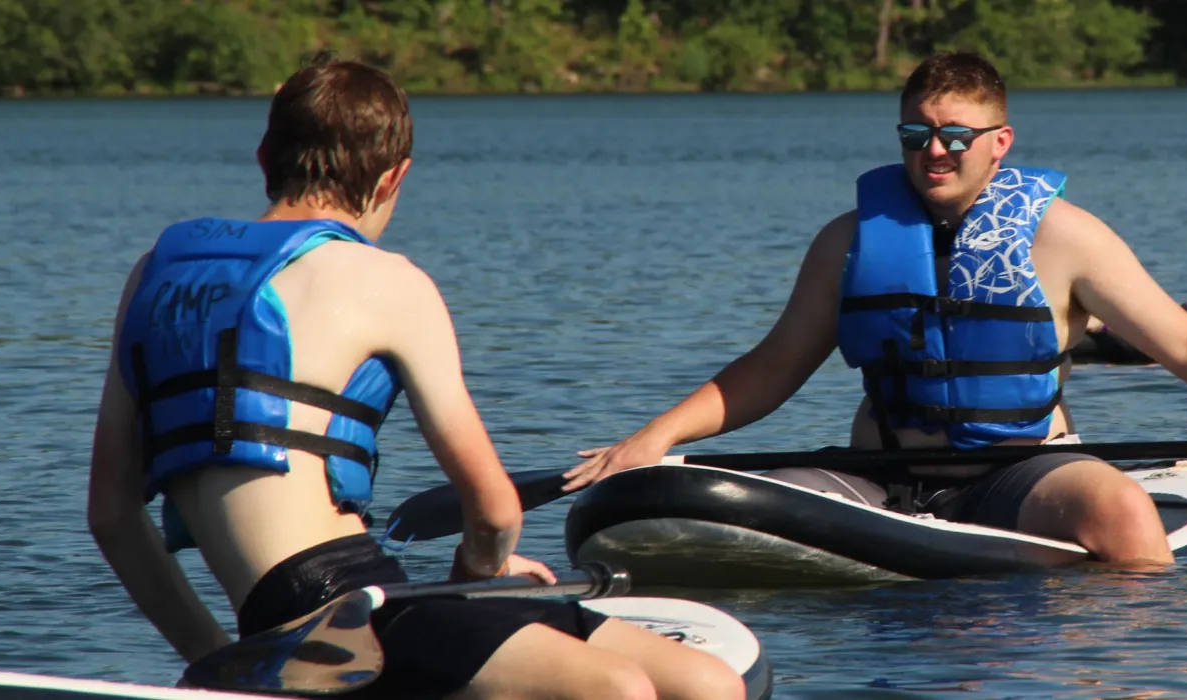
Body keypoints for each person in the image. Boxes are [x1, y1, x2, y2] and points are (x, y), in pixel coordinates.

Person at [564, 51, 1187, 567]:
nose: (933, 151)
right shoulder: (848, 240)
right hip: (881, 477)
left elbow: (1185, 344)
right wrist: (657, 438)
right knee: (697, 504)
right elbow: (772, 367)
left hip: (1021, 475)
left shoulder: (1067, 238)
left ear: (999, 142)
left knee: (1119, 510)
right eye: (915, 134)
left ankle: (1135, 656)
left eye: (954, 135)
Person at [84, 54, 742, 700]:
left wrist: (214, 657)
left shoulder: (154, 274)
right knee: (625, 688)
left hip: (311, 609)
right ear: (394, 177)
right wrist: (479, 581)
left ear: (265, 160)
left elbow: (112, 517)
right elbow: (493, 511)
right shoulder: (390, 283)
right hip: (346, 609)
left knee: (702, 681)